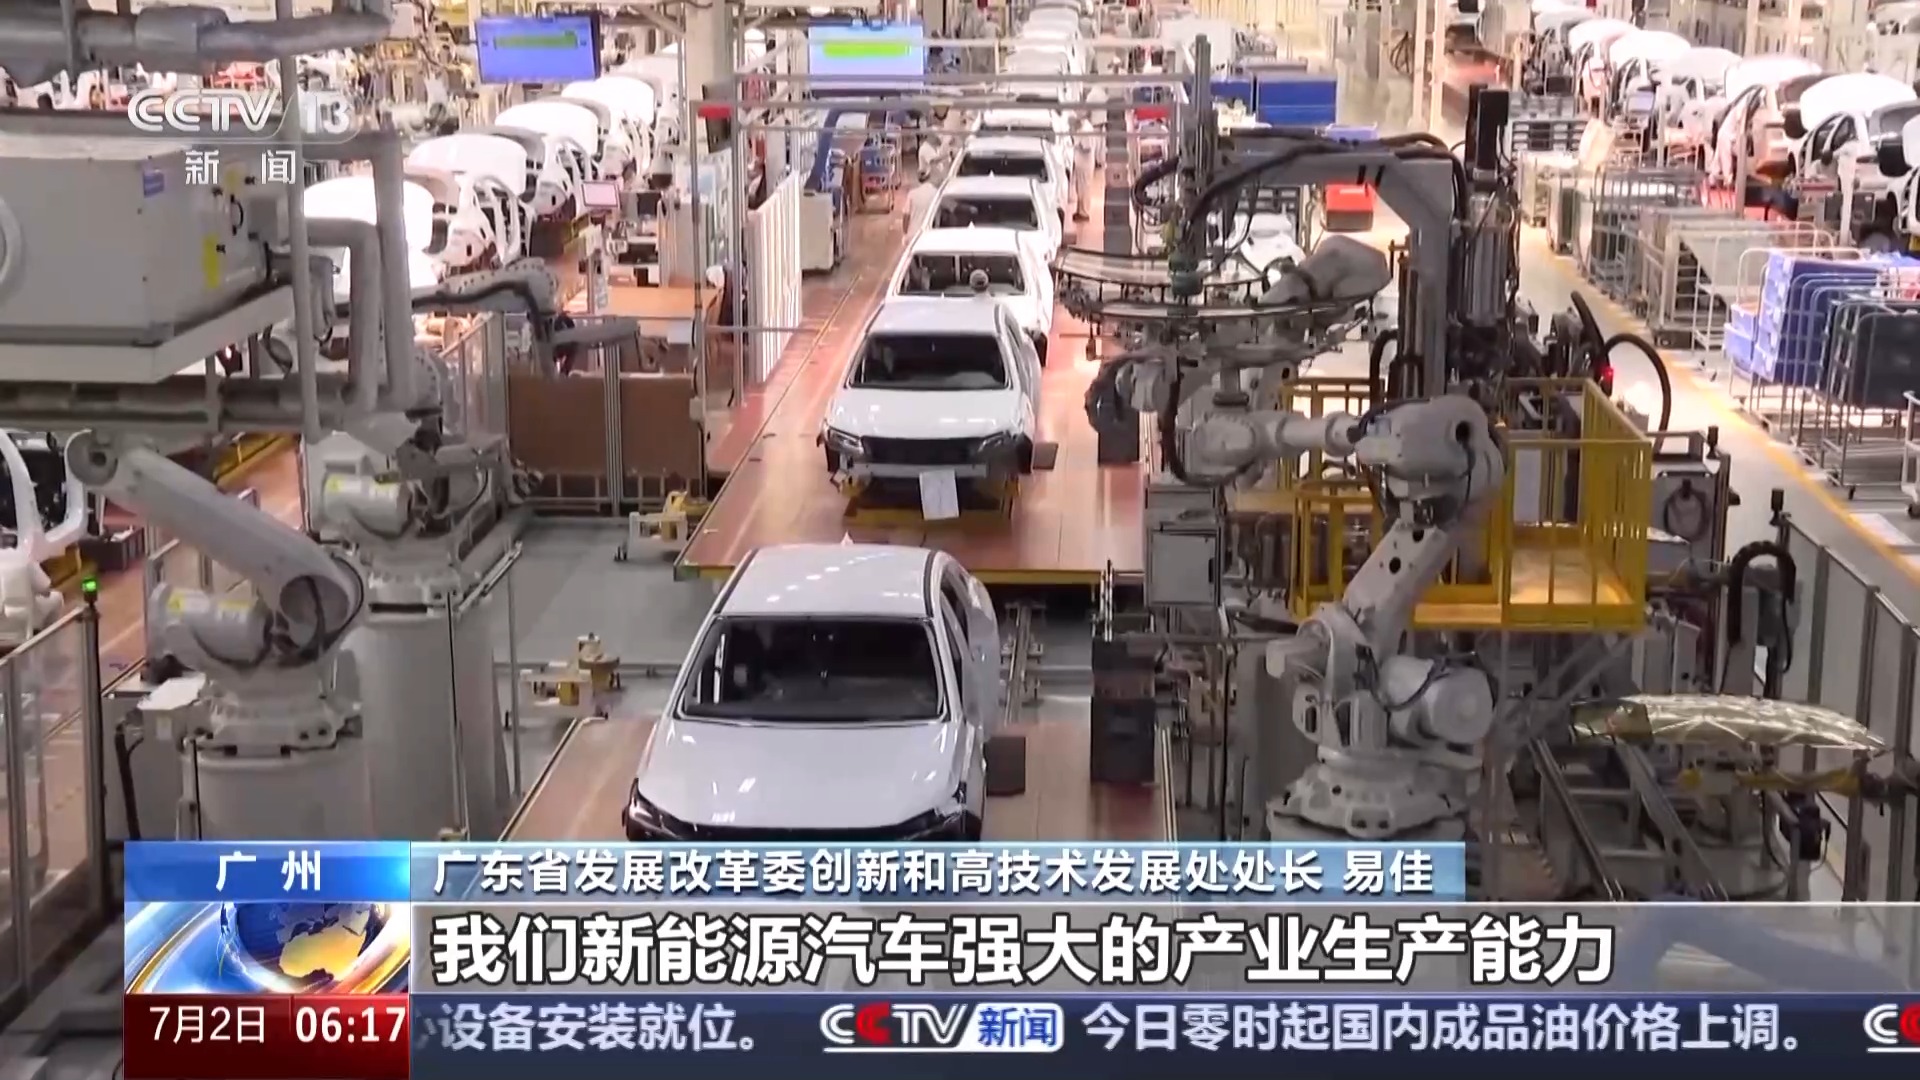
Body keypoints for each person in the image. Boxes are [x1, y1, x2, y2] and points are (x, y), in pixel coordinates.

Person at [903, 166, 940, 235]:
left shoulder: (912, 194)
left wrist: (905, 233)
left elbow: (906, 216)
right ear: (929, 177)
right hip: (930, 233)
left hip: (913, 233)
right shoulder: (936, 193)